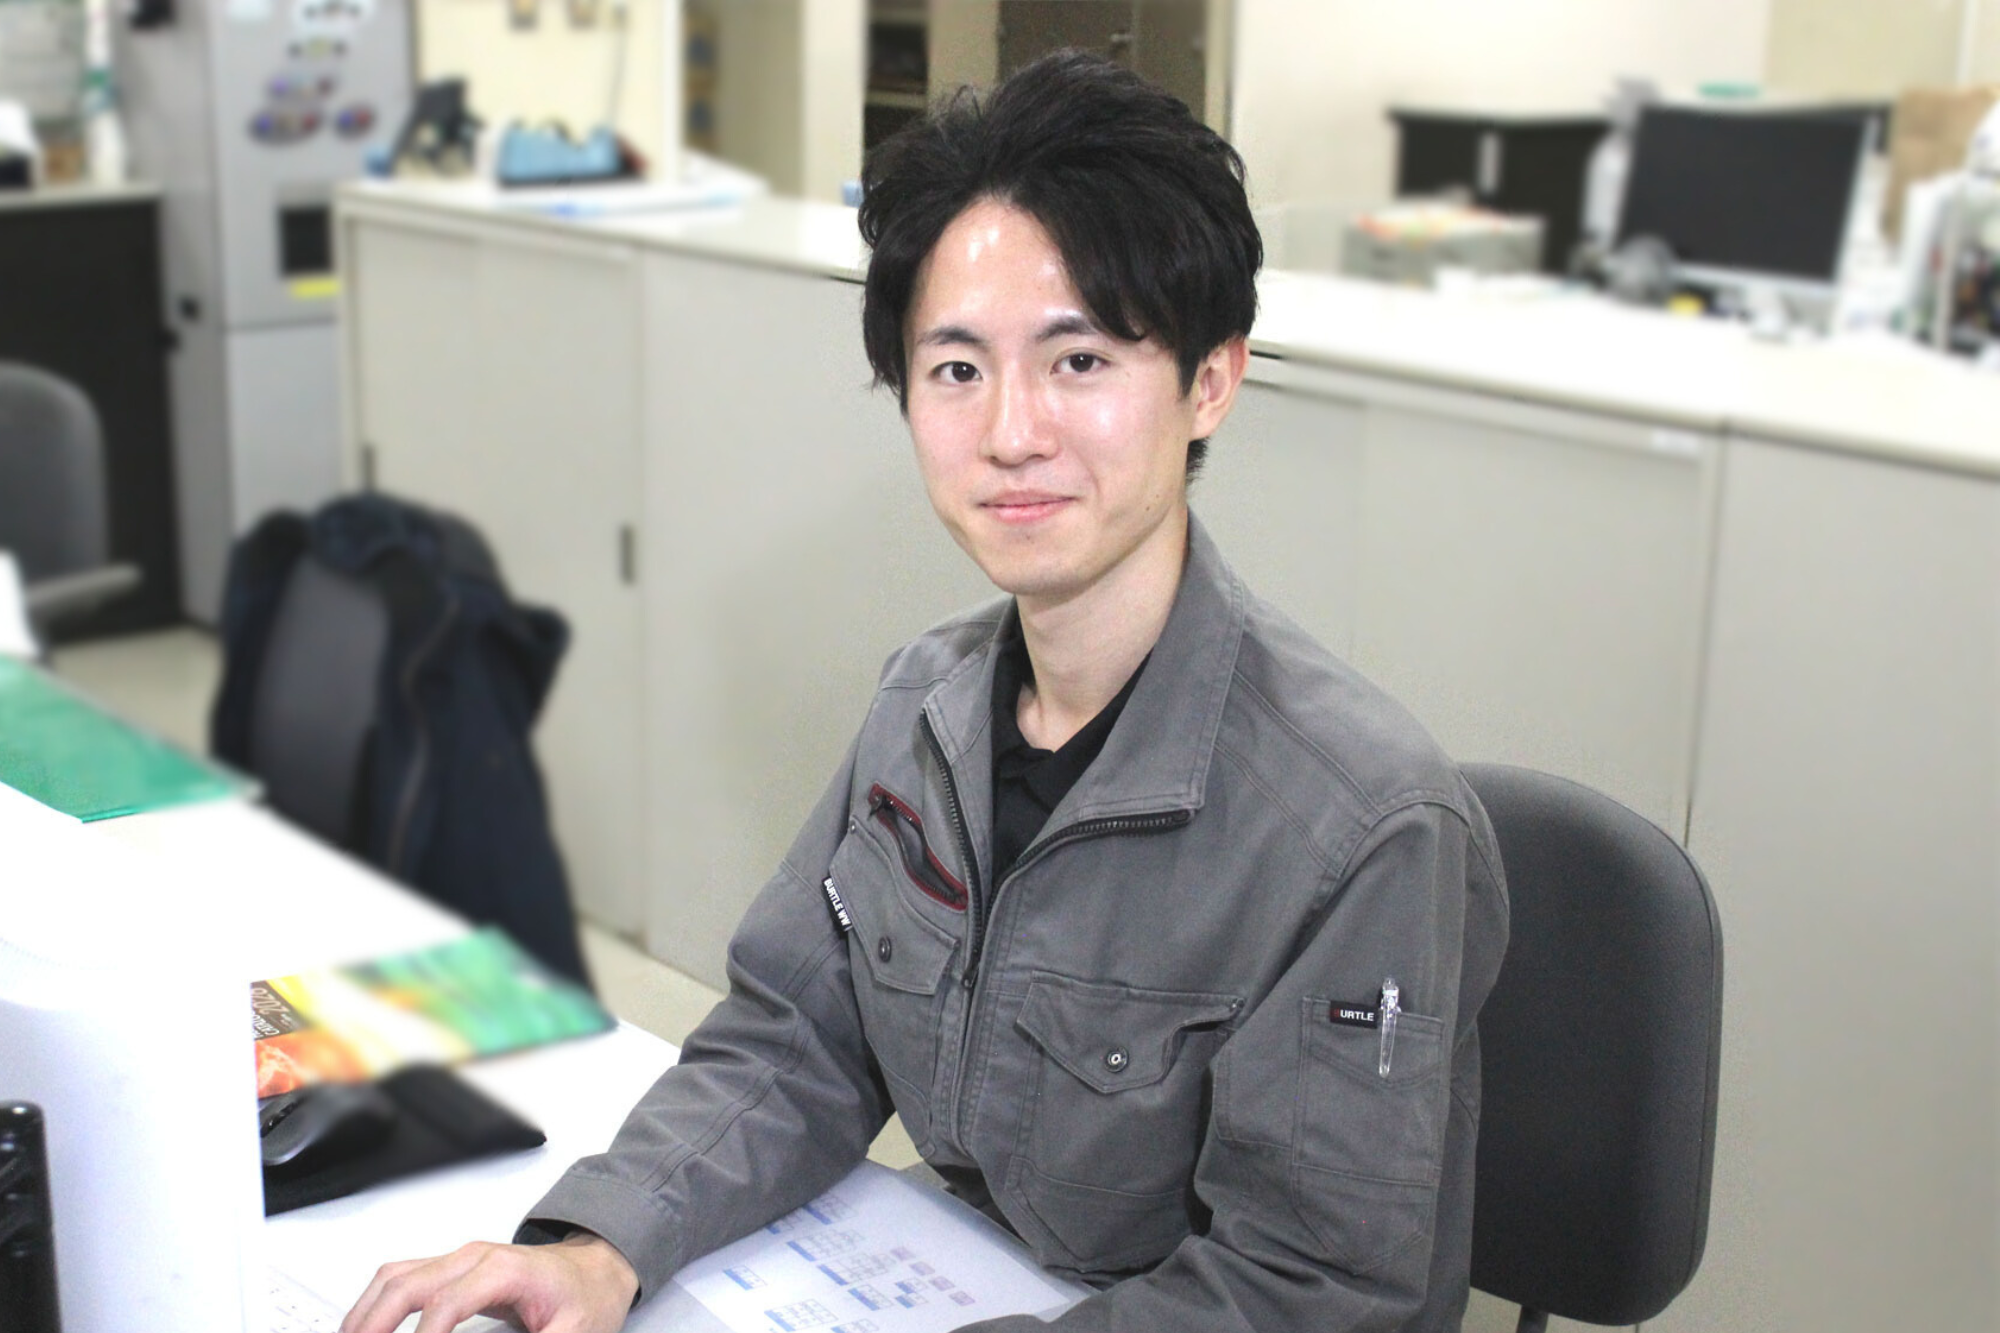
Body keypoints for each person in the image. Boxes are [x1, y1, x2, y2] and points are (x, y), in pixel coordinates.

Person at [342, 51, 1509, 1333]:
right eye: (956, 369)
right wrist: (600, 1242)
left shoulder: (1362, 826)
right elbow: (797, 1035)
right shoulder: (928, 703)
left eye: (1078, 361)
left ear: (1209, 381)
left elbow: (1310, 1292)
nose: (1010, 432)